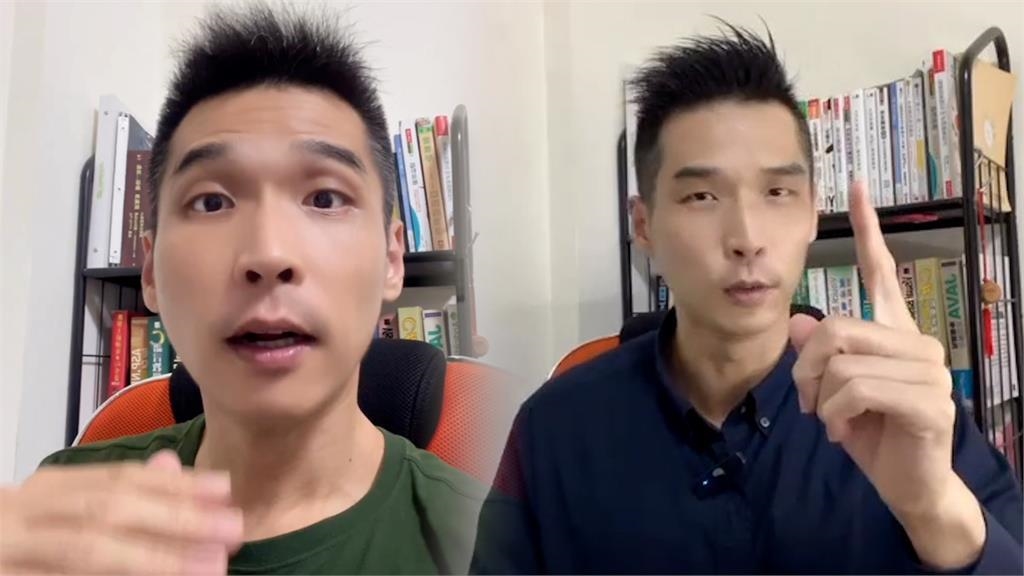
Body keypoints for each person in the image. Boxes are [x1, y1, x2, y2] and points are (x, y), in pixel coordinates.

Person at [470, 22, 1023, 574]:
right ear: (643, 226)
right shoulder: (553, 430)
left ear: (813, 213)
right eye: (702, 196)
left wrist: (932, 507)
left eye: (778, 192)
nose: (747, 238)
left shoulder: (904, 411)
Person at [0, 3, 484, 575]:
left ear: (391, 259)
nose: (269, 254)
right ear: (150, 271)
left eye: (325, 198)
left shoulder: (495, 545)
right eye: (212, 202)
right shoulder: (61, 519)